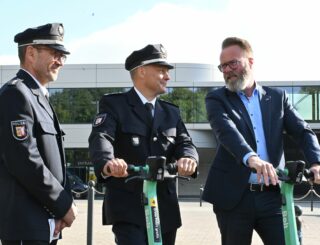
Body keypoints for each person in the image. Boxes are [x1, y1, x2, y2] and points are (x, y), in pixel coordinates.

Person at [202, 37, 320, 245]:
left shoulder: (277, 97)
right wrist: (252, 158)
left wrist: (318, 162)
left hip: (272, 195)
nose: (227, 70)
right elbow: (226, 132)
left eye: (233, 63)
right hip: (234, 197)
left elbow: (303, 131)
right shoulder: (216, 99)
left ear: (250, 61)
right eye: (222, 66)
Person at [88, 44, 198, 245]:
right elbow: (101, 137)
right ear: (142, 71)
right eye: (161, 71)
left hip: (165, 208)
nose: (167, 77)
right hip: (129, 208)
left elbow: (186, 142)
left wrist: (189, 158)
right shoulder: (115, 105)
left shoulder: (171, 112)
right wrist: (108, 162)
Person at [0, 23, 78, 245]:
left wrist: (64, 204)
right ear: (31, 53)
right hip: (25, 223)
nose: (60, 61)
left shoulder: (38, 96)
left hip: (45, 221)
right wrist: (62, 204)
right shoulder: (16, 94)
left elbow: (56, 163)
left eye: (63, 55)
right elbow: (24, 160)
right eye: (55, 53)